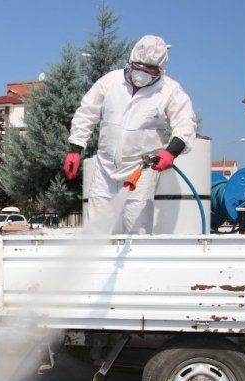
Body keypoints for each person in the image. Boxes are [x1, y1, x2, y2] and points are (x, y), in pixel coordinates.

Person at [64, 34, 196, 234]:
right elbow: (87, 113)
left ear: (160, 70)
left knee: (137, 231)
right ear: (130, 62)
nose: (142, 74)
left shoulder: (170, 91)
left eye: (150, 70)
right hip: (105, 169)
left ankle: (137, 265)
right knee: (95, 230)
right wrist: (75, 148)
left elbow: (185, 123)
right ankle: (94, 265)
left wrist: (171, 152)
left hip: (141, 170)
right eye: (138, 68)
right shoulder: (110, 82)